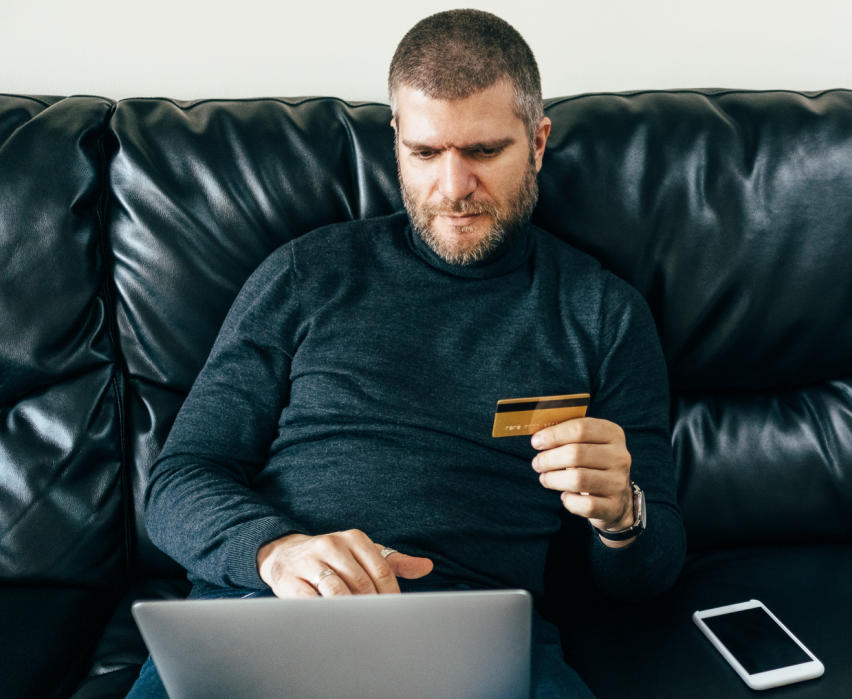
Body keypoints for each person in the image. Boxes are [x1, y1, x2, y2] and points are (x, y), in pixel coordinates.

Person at [126, 9, 685, 698]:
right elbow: (179, 481)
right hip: (271, 611)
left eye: (483, 151)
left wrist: (622, 514)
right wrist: (277, 550)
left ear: (537, 143)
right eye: (425, 153)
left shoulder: (604, 312)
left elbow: (652, 573)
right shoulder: (308, 272)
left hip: (473, 640)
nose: (452, 188)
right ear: (396, 141)